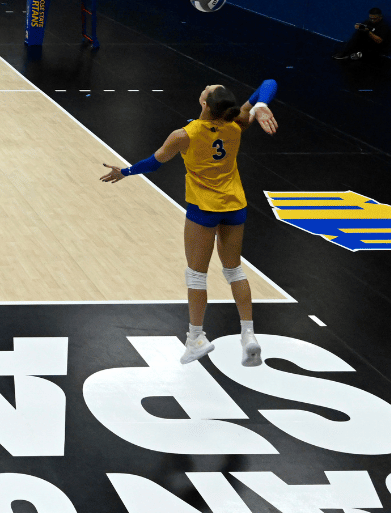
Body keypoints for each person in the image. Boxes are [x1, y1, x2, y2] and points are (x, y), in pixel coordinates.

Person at [99, 79, 280, 366]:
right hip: (235, 206)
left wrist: (125, 171)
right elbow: (269, 83)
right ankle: (248, 335)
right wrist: (260, 106)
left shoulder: (185, 134)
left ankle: (196, 337)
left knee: (197, 274)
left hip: (203, 208)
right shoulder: (237, 123)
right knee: (234, 270)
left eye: (207, 90)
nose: (205, 87)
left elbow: (155, 162)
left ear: (205, 104)